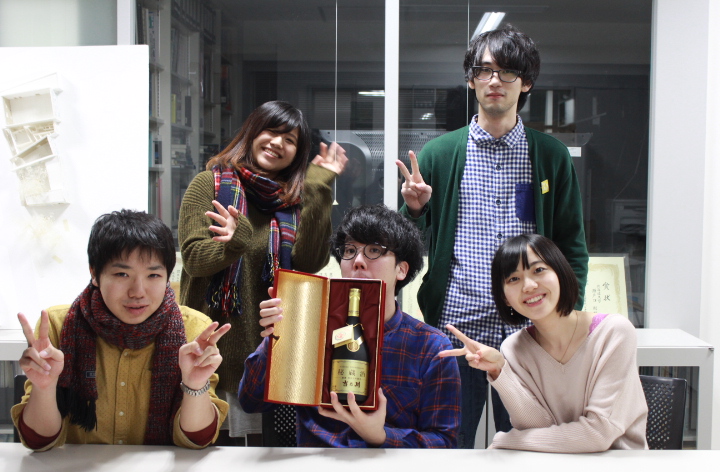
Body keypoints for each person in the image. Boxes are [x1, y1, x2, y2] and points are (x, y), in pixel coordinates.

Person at [395, 24, 589, 448]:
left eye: (507, 72)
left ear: (526, 82)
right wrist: (415, 210)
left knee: (531, 446)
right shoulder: (440, 154)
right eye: (484, 71)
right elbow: (407, 248)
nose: (494, 80)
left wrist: (567, 318)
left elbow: (571, 243)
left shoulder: (550, 155)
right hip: (457, 329)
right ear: (471, 80)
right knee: (450, 446)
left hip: (531, 331)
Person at [178, 100, 347, 444]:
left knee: (268, 456)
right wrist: (234, 244)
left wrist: (318, 187)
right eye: (272, 131)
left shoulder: (295, 199)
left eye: (290, 139)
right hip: (212, 352)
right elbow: (194, 259)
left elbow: (308, 264)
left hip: (274, 355)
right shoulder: (209, 185)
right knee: (208, 453)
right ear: (253, 132)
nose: (277, 143)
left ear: (298, 153)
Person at [238, 204, 461, 448]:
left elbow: (443, 441)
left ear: (401, 269)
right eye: (350, 251)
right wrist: (277, 338)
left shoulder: (431, 347)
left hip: (388, 466)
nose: (358, 261)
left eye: (374, 250)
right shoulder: (311, 329)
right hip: (318, 463)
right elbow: (251, 401)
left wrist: (381, 436)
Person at [12, 210, 230, 451]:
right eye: (122, 274)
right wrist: (44, 388)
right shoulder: (58, 326)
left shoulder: (194, 330)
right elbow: (38, 441)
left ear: (167, 277)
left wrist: (195, 385)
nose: (138, 291)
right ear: (94, 274)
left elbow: (198, 440)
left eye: (153, 275)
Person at [441, 234, 647, 452]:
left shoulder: (613, 332)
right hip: (550, 464)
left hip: (619, 465)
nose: (529, 286)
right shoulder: (514, 348)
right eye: (514, 279)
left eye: (538, 270)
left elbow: (598, 433)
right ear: (504, 297)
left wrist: (505, 441)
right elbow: (537, 426)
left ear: (560, 273)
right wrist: (499, 371)